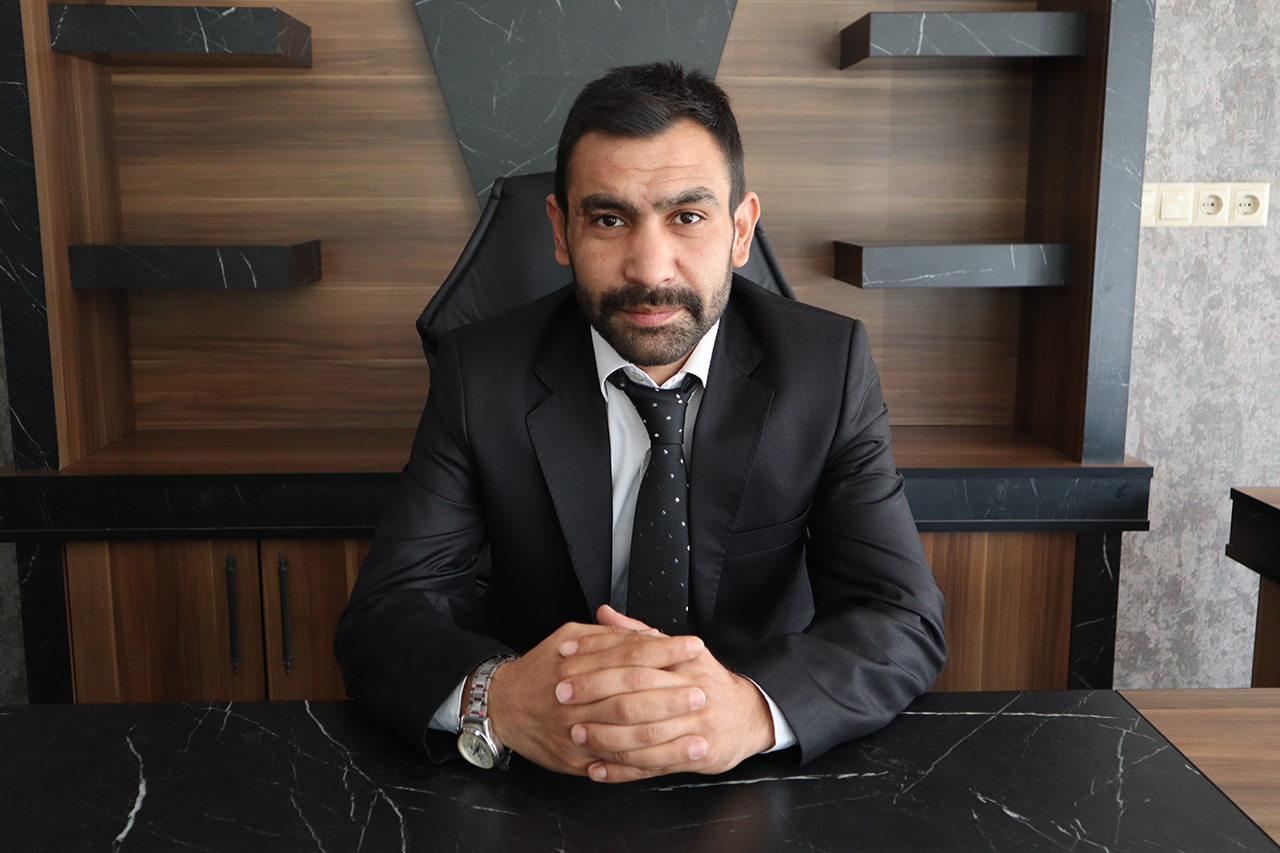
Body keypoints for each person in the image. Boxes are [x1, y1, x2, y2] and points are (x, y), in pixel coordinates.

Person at [336, 61, 946, 784]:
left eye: (687, 217)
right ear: (561, 230)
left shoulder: (827, 367)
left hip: (750, 771)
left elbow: (899, 615)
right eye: (608, 219)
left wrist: (753, 710)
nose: (651, 269)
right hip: (543, 765)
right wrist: (498, 698)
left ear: (741, 230)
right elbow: (387, 612)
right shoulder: (479, 374)